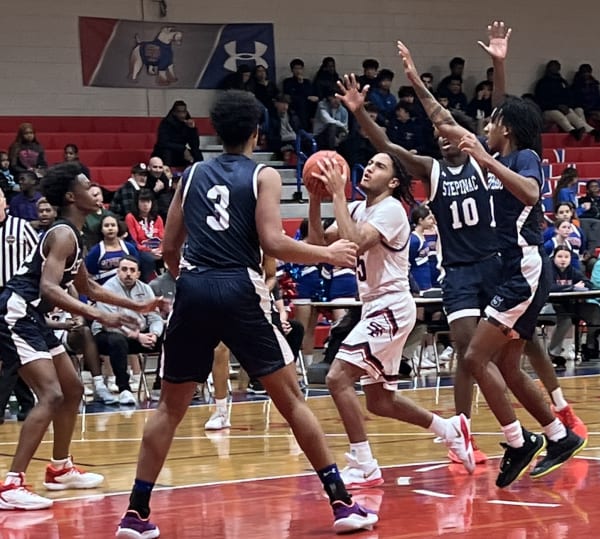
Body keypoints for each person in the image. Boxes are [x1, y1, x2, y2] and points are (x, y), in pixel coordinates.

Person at [115, 89, 376, 538]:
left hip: (194, 287)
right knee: (291, 400)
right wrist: (327, 253)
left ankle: (136, 514)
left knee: (169, 408)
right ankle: (341, 503)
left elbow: (170, 247)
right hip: (239, 286)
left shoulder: (192, 173)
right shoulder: (264, 175)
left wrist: (190, 281)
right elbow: (272, 243)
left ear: (215, 130)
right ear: (258, 132)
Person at [399, 20, 586, 489]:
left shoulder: (520, 160)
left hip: (522, 267)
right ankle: (559, 435)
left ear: (506, 132)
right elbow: (464, 116)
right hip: (511, 268)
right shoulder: (495, 154)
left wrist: (484, 158)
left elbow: (527, 191)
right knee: (503, 364)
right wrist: (490, 65)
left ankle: (519, 441)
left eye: (490, 126)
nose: (484, 128)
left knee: (472, 359)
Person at [307, 150, 476, 490]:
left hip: (391, 305)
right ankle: (450, 429)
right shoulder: (356, 209)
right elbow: (315, 243)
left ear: (394, 181)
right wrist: (315, 198)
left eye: (379, 166)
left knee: (338, 377)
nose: (369, 167)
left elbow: (354, 242)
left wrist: (338, 193)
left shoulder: (391, 211)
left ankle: (364, 464)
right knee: (380, 400)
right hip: (373, 307)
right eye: (368, 162)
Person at [0, 162, 161, 510]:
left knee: (72, 389)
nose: (96, 190)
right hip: (17, 313)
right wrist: (98, 315)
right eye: (88, 186)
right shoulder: (62, 234)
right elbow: (49, 287)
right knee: (51, 394)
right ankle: (11, 484)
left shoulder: (75, 233)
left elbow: (88, 287)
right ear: (72, 196)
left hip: (34, 316)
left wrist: (141, 306)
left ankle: (59, 468)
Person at [92, 256, 164, 406]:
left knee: (171, 335)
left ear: (138, 274)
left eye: (132, 270)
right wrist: (139, 337)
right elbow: (110, 323)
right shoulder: (107, 289)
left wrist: (154, 334)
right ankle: (124, 389)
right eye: (124, 269)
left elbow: (155, 317)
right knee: (117, 340)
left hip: (140, 334)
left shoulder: (146, 289)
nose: (128, 273)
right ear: (118, 271)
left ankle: (160, 385)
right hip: (107, 334)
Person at [0, 189, 38, 425]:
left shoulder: (21, 226)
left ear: (5, 202)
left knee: (13, 352)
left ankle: (21, 403)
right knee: (12, 353)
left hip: (16, 293)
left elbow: (37, 257)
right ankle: (26, 403)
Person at [152, 100, 203, 167]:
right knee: (167, 152)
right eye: (179, 112)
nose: (182, 115)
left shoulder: (187, 124)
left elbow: (195, 145)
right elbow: (163, 143)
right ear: (174, 113)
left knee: (197, 152)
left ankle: (199, 172)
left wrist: (192, 129)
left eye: (184, 112)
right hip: (165, 152)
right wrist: (183, 149)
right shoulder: (166, 123)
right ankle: (167, 173)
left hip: (180, 153)